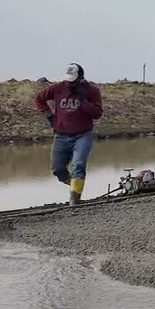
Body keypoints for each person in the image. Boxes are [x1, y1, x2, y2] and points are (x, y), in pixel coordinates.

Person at [35, 63, 103, 205]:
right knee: (57, 169)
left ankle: (74, 200)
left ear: (81, 78)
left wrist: (83, 101)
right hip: (61, 135)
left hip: (82, 135)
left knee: (78, 165)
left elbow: (97, 113)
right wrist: (50, 116)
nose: (69, 83)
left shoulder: (92, 91)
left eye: (72, 80)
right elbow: (39, 99)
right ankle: (75, 184)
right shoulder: (57, 88)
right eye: (67, 80)